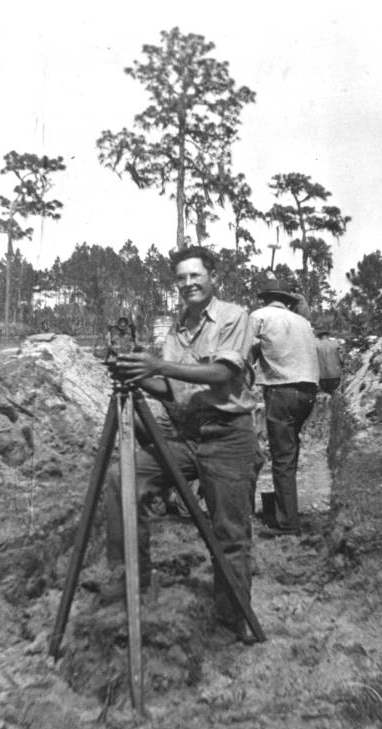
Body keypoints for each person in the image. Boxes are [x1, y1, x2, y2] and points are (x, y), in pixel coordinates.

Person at [102, 246, 258, 643]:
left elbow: (221, 373)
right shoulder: (176, 328)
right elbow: (171, 387)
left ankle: (230, 621)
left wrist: (158, 365)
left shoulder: (233, 317)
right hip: (184, 434)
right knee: (124, 477)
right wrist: (136, 372)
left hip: (227, 435)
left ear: (212, 276)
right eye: (181, 278)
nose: (189, 284)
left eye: (195, 276)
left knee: (229, 533)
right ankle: (132, 579)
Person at [250, 279, 319, 535]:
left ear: (265, 299)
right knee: (289, 455)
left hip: (282, 391)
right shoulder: (302, 322)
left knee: (281, 458)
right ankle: (285, 510)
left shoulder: (259, 316)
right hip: (309, 392)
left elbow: (242, 352)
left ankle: (287, 523)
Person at [314, 323, 343, 394]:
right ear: (327, 335)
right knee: (334, 394)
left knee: (326, 395)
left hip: (323, 378)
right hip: (336, 376)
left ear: (319, 336)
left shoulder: (316, 345)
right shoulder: (336, 344)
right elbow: (342, 359)